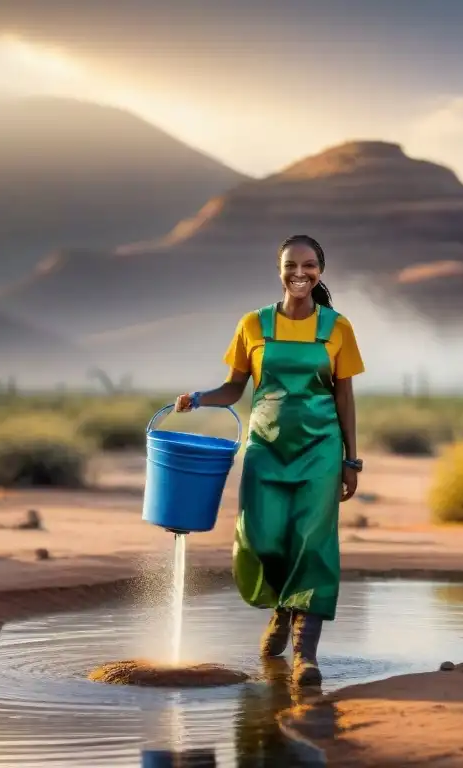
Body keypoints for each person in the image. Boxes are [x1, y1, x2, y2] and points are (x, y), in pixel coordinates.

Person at [174, 234, 365, 687]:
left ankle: (306, 655)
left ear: (321, 271)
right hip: (265, 448)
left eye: (309, 265)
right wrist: (198, 398)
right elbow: (234, 388)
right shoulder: (253, 325)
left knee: (313, 544)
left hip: (320, 451)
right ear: (278, 270)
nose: (300, 273)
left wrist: (350, 460)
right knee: (262, 538)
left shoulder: (338, 328)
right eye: (291, 265)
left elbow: (345, 396)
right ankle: (281, 606)